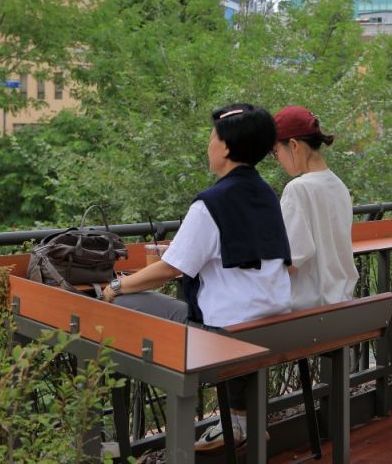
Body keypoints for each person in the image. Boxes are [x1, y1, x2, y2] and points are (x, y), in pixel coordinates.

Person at [101, 103, 292, 451]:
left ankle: (122, 436)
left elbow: (170, 269)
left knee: (121, 304)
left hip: (225, 337)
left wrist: (116, 285)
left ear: (227, 147)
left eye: (211, 138)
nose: (208, 146)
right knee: (197, 307)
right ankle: (239, 421)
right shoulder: (266, 195)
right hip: (272, 325)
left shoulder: (211, 203)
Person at [272, 106, 358, 310]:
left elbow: (289, 259)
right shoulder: (338, 185)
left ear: (293, 145)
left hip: (309, 311)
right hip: (342, 303)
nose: (277, 160)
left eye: (275, 152)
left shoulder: (298, 189)